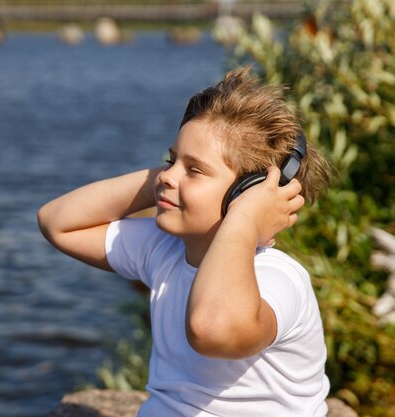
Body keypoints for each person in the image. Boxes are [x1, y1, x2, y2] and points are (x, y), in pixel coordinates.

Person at [37, 66, 332, 417]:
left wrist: (243, 219)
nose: (169, 175)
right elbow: (57, 222)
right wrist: (160, 182)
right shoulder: (164, 250)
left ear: (247, 193)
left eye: (195, 170)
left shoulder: (276, 278)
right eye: (171, 160)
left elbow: (210, 330)